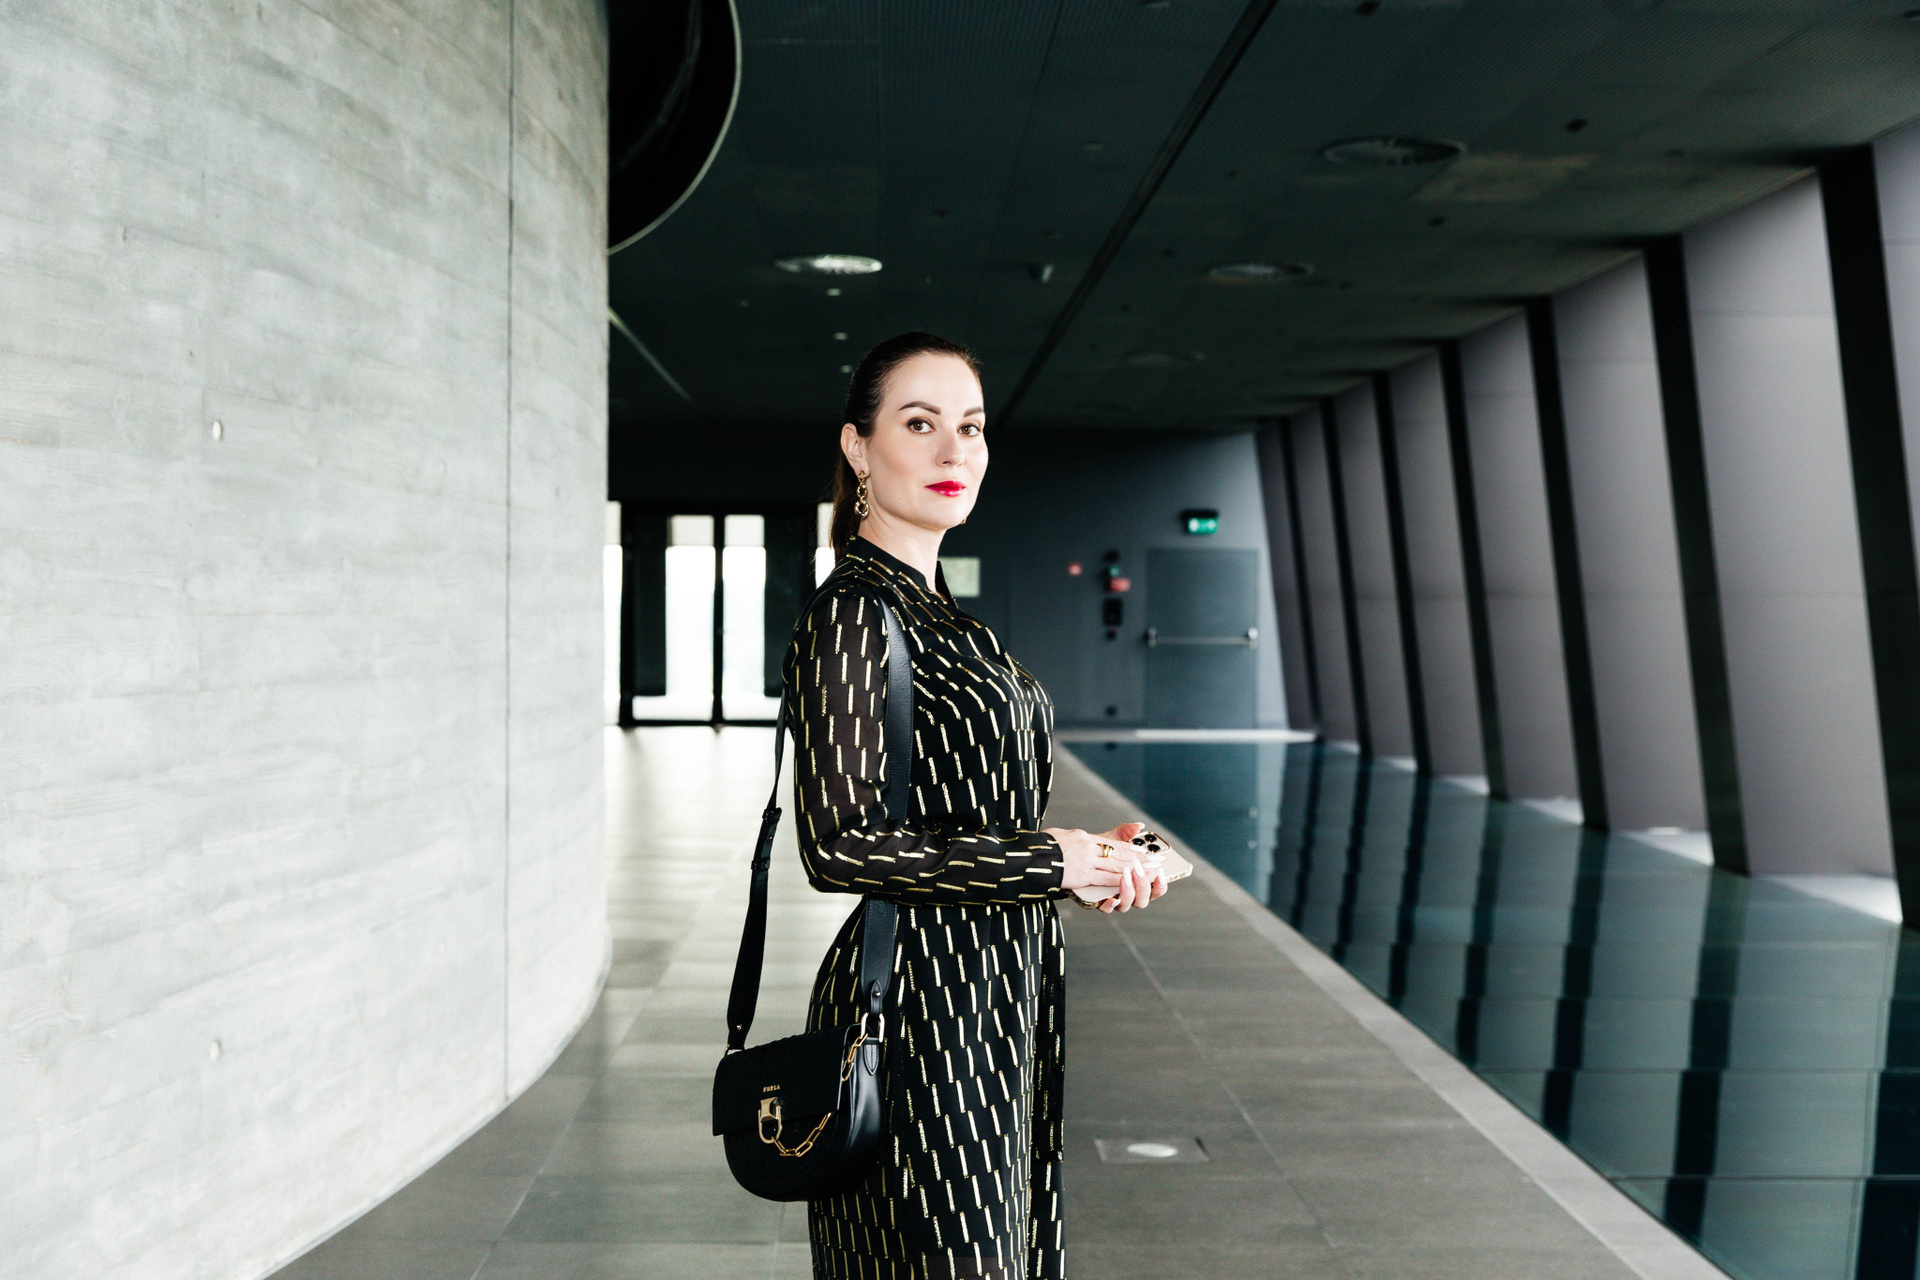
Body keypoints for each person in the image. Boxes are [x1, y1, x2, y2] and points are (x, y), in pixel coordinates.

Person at [784, 331, 1167, 1280]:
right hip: (922, 1002)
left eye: (972, 426)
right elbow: (838, 845)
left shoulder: (945, 615)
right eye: (920, 424)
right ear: (858, 447)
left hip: (1000, 988)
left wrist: (1092, 857)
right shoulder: (855, 613)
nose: (954, 450)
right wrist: (1048, 861)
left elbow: (966, 819)